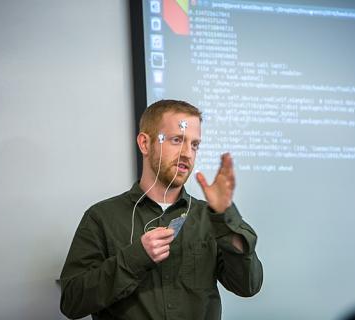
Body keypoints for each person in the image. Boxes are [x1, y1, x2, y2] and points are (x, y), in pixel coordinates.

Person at [60, 100, 263, 319]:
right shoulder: (101, 217)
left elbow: (248, 286)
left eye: (194, 145)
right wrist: (135, 258)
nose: (187, 153)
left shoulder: (211, 219)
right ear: (145, 144)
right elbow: (72, 302)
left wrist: (225, 217)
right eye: (177, 140)